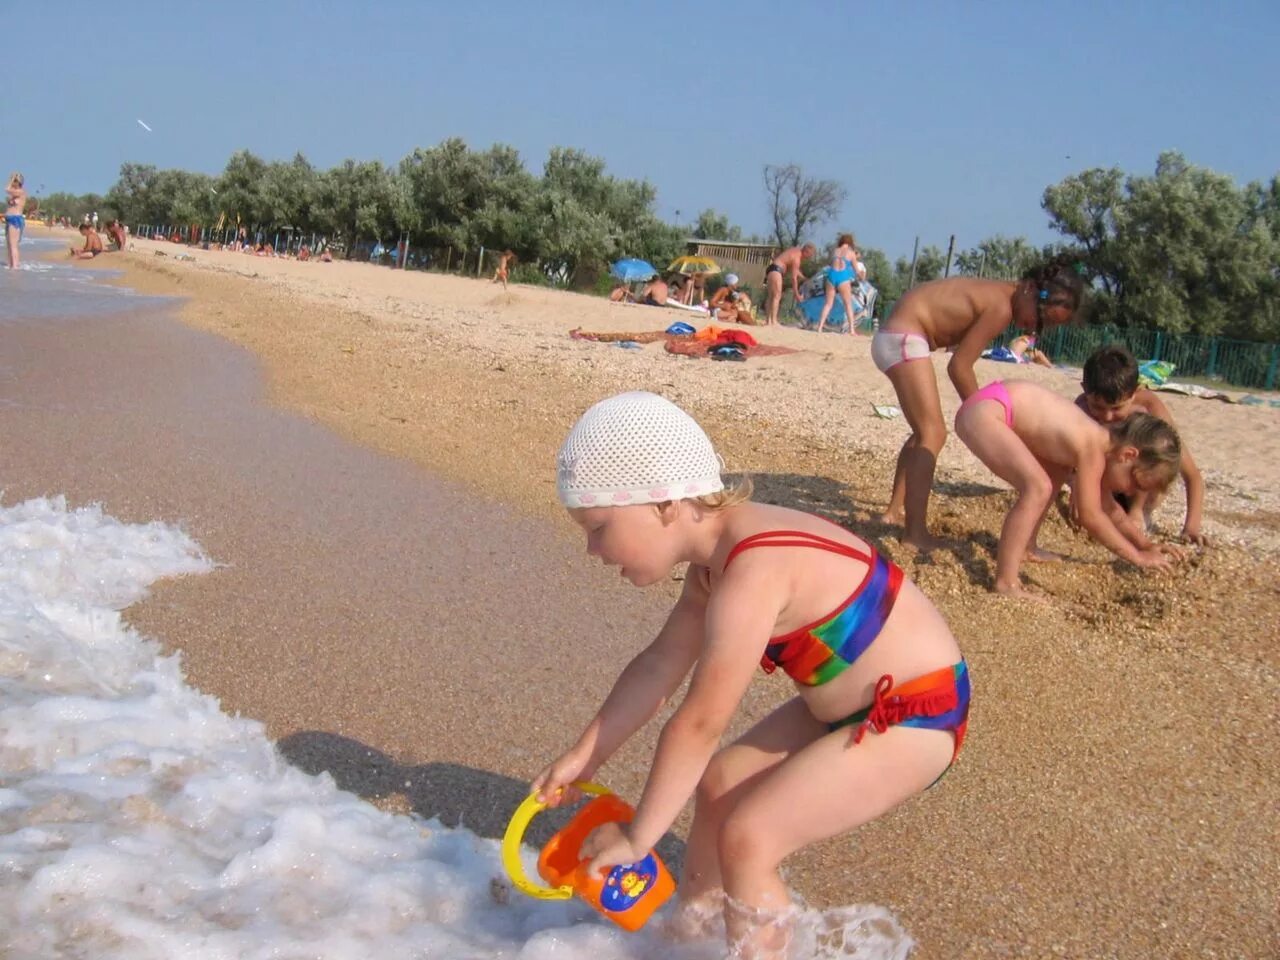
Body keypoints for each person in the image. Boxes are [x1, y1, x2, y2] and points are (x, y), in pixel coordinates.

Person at [533, 392, 970, 959]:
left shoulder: (752, 571)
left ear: (662, 502)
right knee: (720, 784)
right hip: (841, 710)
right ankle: (689, 938)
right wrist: (588, 754)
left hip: (915, 713)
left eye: (597, 527)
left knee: (750, 837)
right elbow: (658, 666)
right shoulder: (711, 568)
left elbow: (699, 724)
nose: (590, 549)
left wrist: (640, 838)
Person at [874, 256, 1086, 550]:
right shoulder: (1000, 307)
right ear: (1028, 288)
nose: (1035, 328)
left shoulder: (996, 294)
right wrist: (985, 419)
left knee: (922, 430)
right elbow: (959, 367)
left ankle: (894, 511)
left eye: (1046, 326)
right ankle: (915, 534)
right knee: (932, 434)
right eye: (1041, 317)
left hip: (896, 335)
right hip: (904, 337)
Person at [954, 379, 1183, 597]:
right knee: (1037, 487)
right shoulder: (1092, 448)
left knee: (1055, 473)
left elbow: (1110, 509)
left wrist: (1146, 545)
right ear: (1127, 455)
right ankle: (1006, 581)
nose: (1132, 492)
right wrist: (1137, 557)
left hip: (992, 404)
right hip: (986, 413)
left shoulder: (1095, 444)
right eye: (1136, 483)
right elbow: (1091, 516)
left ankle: (1027, 546)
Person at [1075, 344, 1206, 544]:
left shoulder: (1149, 408)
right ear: (1085, 390)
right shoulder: (1082, 408)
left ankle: (1138, 510)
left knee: (1155, 455)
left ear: (1135, 392)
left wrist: (1191, 527)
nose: (1108, 416)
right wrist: (1077, 489)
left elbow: (1192, 475)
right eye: (1098, 407)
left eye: (1117, 408)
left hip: (1138, 487)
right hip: (1102, 481)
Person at [815, 233, 864, 335]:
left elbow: (829, 264)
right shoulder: (851, 253)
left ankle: (819, 327)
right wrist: (861, 276)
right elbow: (856, 270)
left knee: (828, 304)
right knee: (848, 304)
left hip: (831, 275)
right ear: (850, 243)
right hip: (843, 277)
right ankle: (851, 330)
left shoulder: (834, 251)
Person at [763, 243, 816, 326]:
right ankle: (773, 321)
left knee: (771, 297)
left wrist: (804, 278)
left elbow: (796, 270)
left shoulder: (795, 251)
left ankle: (768, 321)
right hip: (777, 271)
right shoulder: (797, 258)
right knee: (777, 296)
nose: (808, 258)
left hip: (772, 269)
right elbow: (794, 278)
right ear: (806, 252)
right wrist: (797, 295)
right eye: (809, 256)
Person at [5, 172, 27, 269]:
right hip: (9, 219)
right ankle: (11, 265)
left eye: (15, 181)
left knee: (13, 245)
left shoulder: (20, 192)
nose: (13, 183)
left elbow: (7, 189)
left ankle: (15, 266)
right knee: (9, 244)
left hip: (15, 219)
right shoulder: (14, 194)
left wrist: (11, 180)